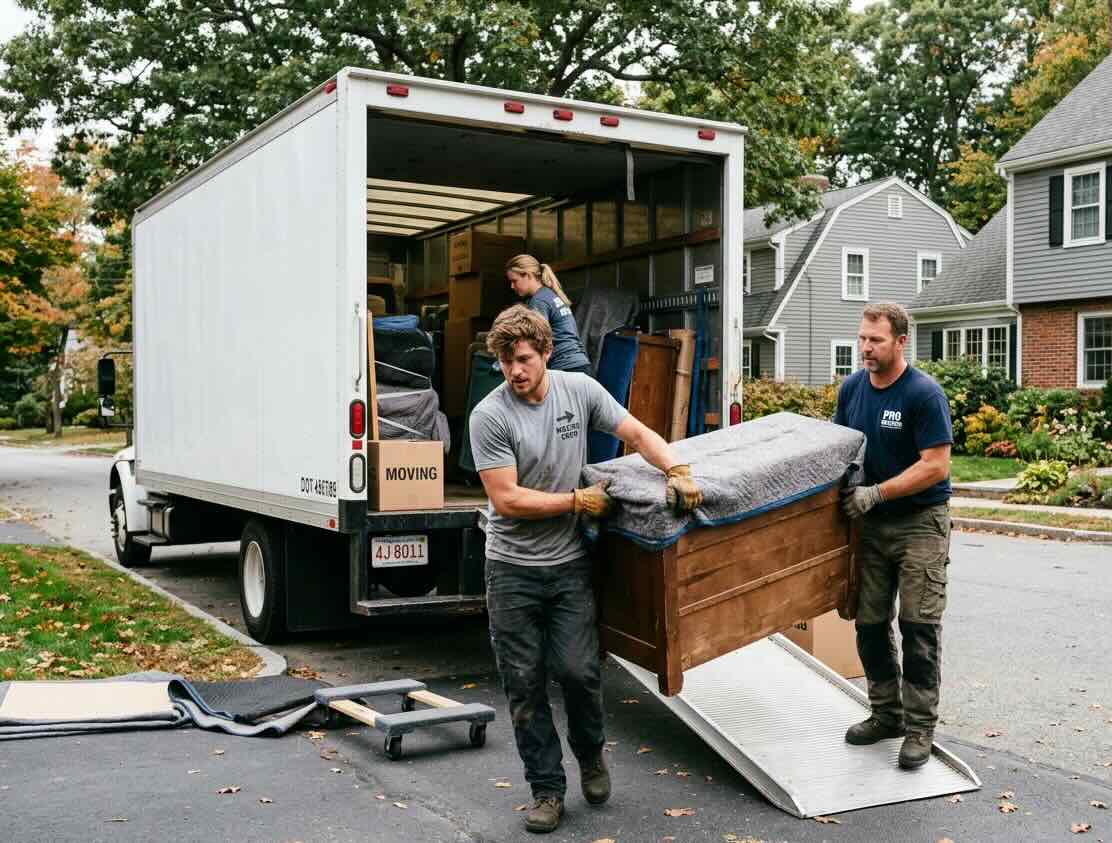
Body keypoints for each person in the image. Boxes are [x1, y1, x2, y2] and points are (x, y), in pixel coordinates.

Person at [469, 305, 702, 834]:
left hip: (569, 564)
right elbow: (506, 500)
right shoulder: (491, 414)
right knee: (524, 685)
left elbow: (638, 433)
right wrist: (576, 502)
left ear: (547, 353)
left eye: (524, 359)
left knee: (579, 672)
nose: (514, 372)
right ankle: (546, 790)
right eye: (506, 363)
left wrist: (678, 468)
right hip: (512, 570)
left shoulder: (579, 390)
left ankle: (591, 756)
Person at [834, 301, 953, 771]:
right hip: (871, 525)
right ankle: (886, 714)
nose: (865, 347)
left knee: (919, 627)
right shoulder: (853, 389)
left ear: (901, 341)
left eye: (876, 340)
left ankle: (920, 728)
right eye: (862, 337)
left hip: (920, 522)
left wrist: (876, 493)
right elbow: (840, 447)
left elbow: (936, 465)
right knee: (869, 623)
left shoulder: (923, 394)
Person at [505, 254, 592, 375]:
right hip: (580, 364)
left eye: (514, 281)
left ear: (528, 275)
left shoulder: (539, 301)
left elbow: (534, 340)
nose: (512, 286)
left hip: (565, 367)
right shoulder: (549, 294)